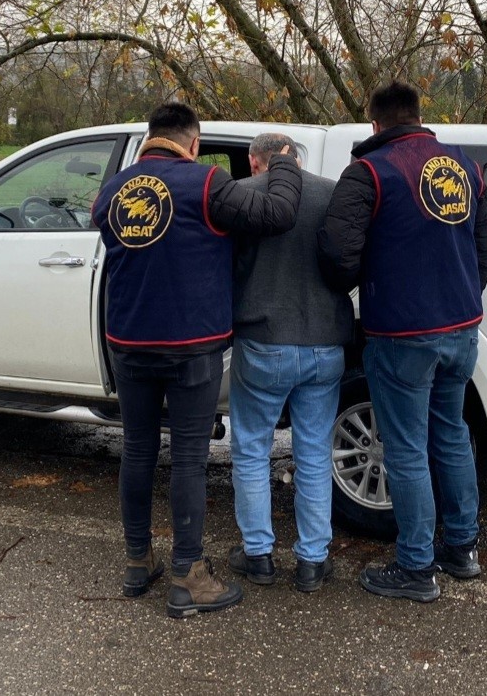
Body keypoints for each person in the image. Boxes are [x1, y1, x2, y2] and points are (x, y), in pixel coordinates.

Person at [91, 103, 302, 618]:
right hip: (192, 347)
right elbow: (277, 215)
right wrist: (286, 166)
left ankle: (138, 563)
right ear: (193, 141)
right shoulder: (206, 183)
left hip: (129, 343)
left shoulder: (112, 192)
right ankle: (188, 574)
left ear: (150, 137)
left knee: (138, 450)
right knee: (187, 457)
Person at [318, 81, 487, 602]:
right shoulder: (463, 166)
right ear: (418, 117)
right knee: (452, 434)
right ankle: (462, 549)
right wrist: (457, 300)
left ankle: (417, 566)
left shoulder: (369, 172)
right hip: (461, 329)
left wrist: (359, 290)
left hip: (401, 333)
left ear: (375, 124)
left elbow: (336, 252)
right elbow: (483, 250)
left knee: (405, 448)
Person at [226, 133, 354, 593]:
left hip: (263, 342)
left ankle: (258, 554)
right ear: (296, 159)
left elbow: (230, 267)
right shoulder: (331, 193)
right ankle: (313, 562)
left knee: (251, 450)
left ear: (254, 162)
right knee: (315, 454)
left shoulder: (244, 194)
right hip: (325, 345)